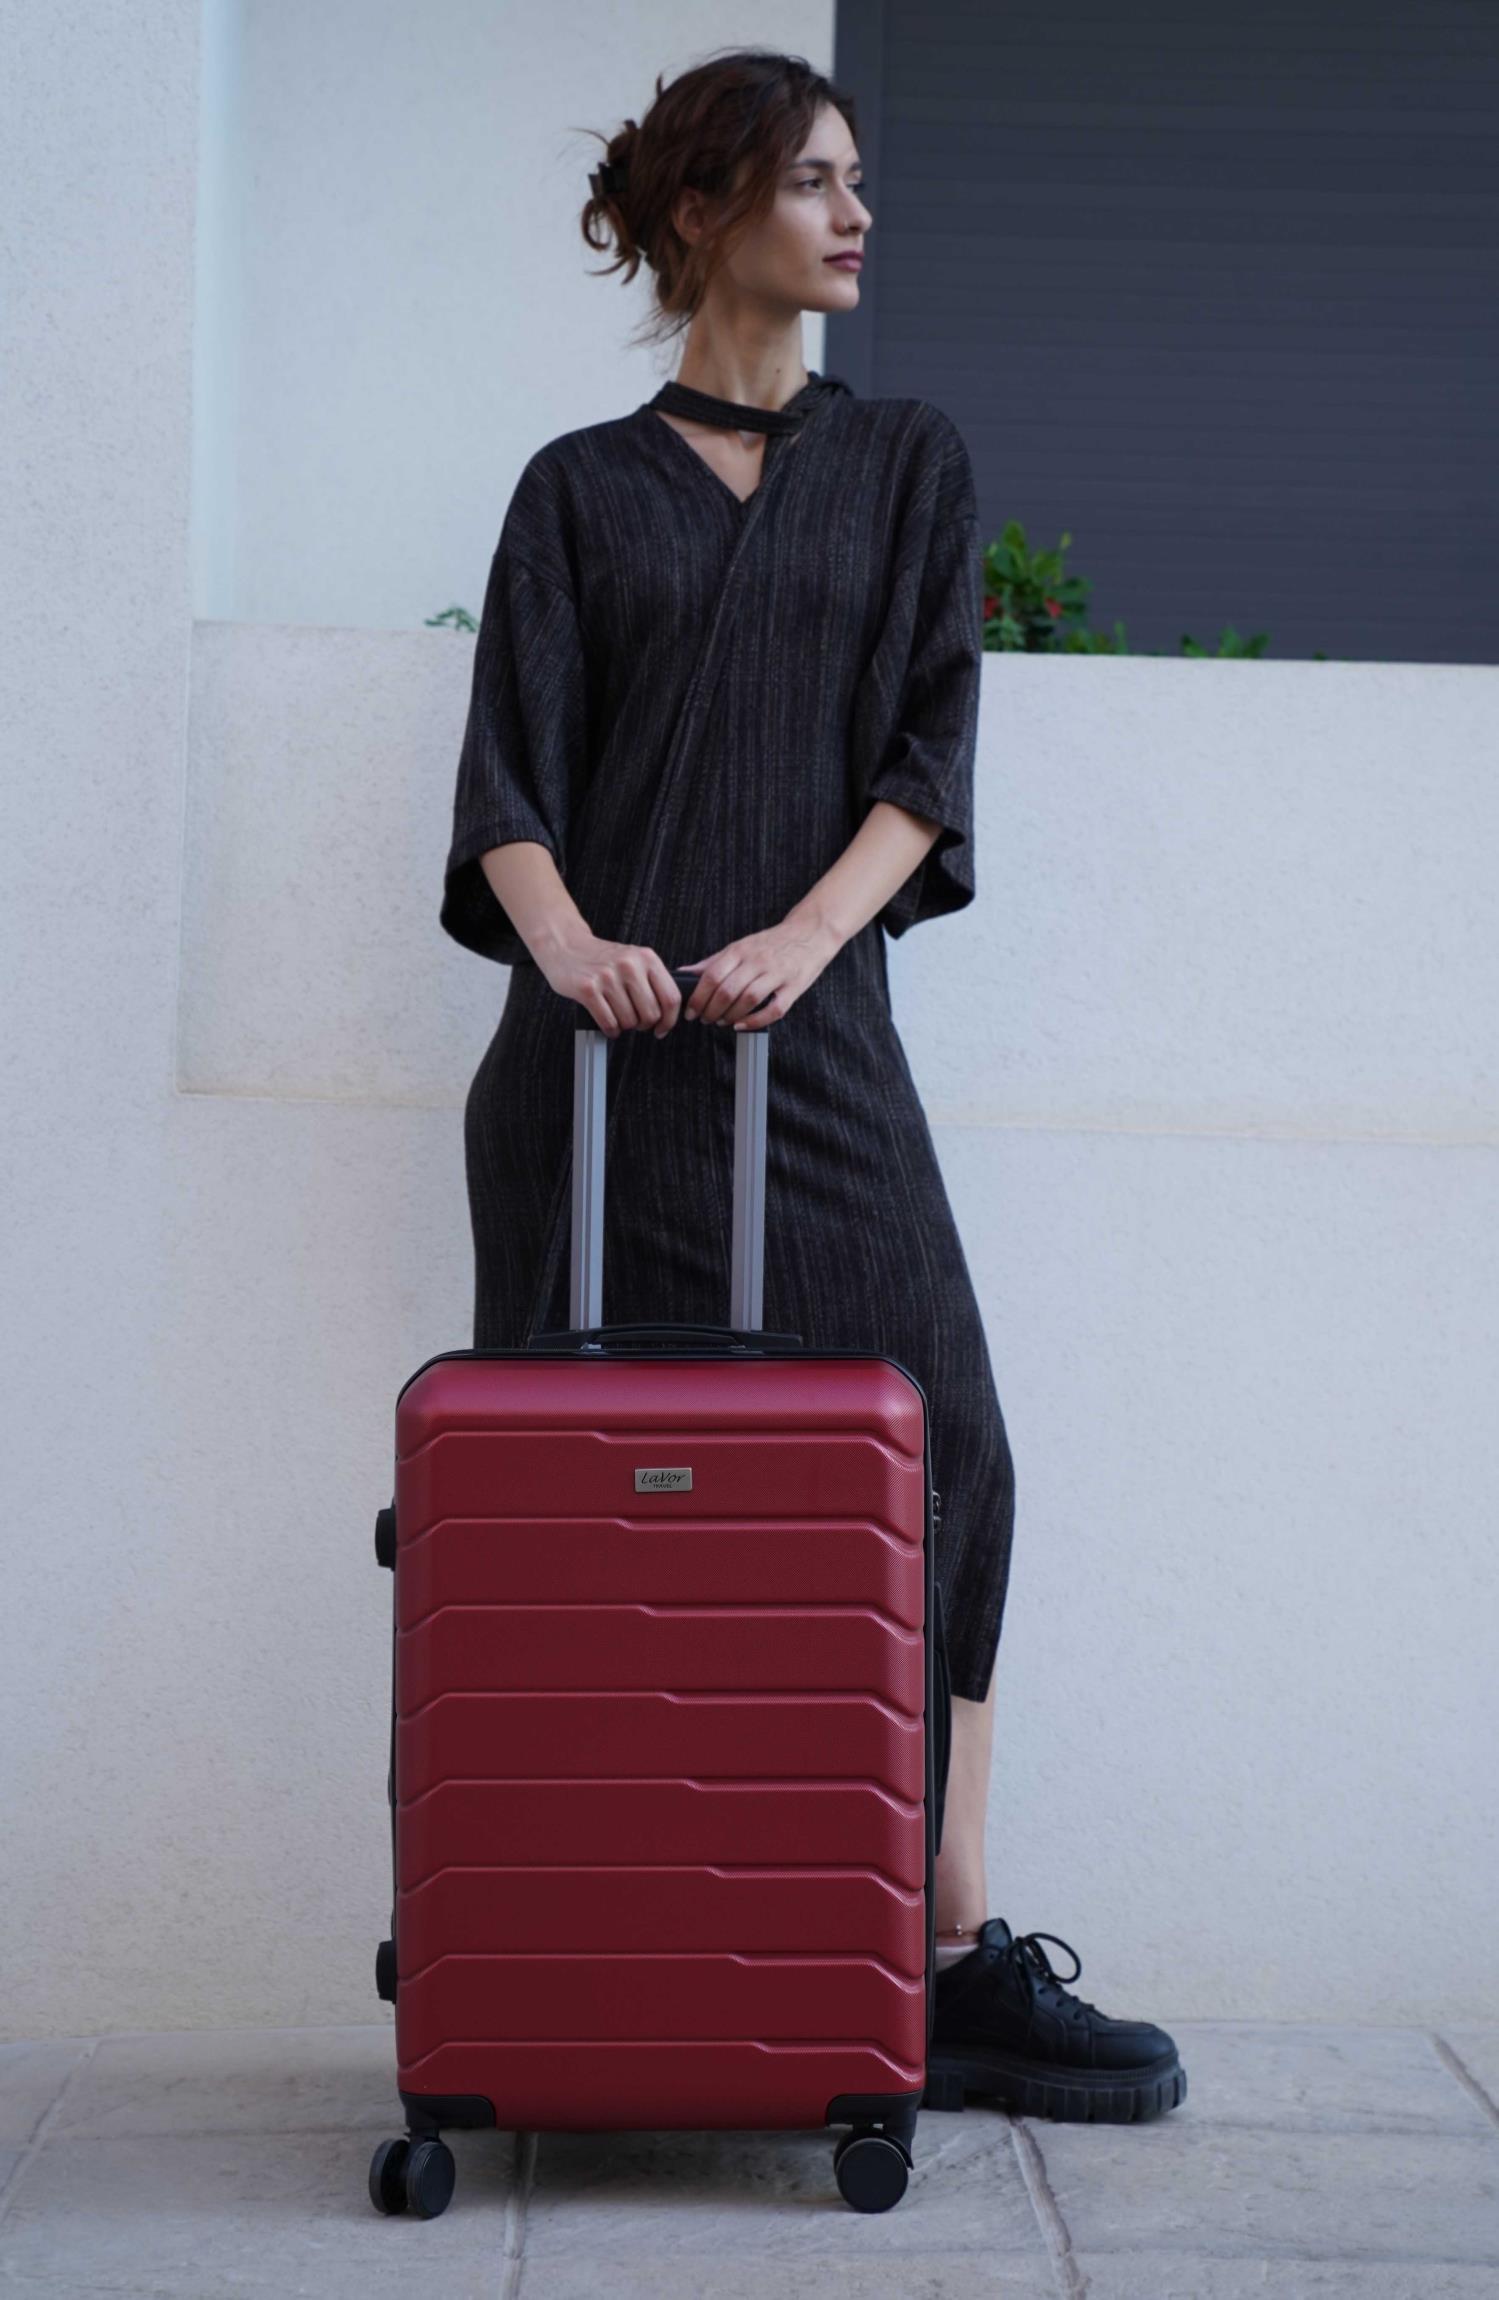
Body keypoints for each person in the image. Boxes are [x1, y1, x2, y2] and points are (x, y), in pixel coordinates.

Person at [440, 46, 1185, 2125]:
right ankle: (587, 1948)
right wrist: (568, 944)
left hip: (816, 1043)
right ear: (704, 213)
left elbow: (927, 757)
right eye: (814, 182)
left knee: (949, 1454)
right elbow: (505, 781)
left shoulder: (908, 462)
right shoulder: (577, 488)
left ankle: (939, 1948)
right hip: (593, 1076)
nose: (858, 216)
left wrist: (805, 935)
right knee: (586, 1520)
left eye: (861, 181)